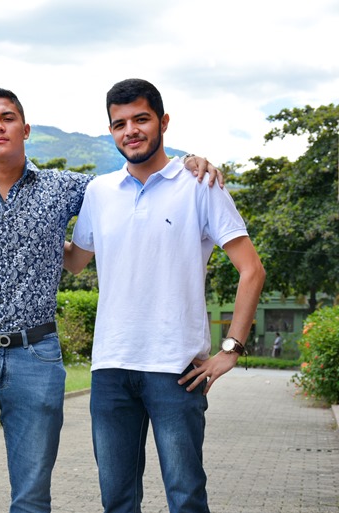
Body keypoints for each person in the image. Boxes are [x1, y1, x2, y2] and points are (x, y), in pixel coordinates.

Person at [0, 86, 222, 513]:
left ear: (25, 129)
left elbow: (138, 179)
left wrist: (190, 161)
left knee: (32, 498)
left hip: (35, 357)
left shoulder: (71, 189)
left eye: (7, 118)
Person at [65, 78, 266, 513]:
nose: (130, 131)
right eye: (119, 124)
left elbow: (252, 270)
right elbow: (75, 261)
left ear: (163, 122)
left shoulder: (199, 184)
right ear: (111, 131)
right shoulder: (99, 192)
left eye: (141, 119)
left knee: (186, 496)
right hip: (111, 366)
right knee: (117, 500)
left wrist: (231, 349)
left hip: (177, 368)